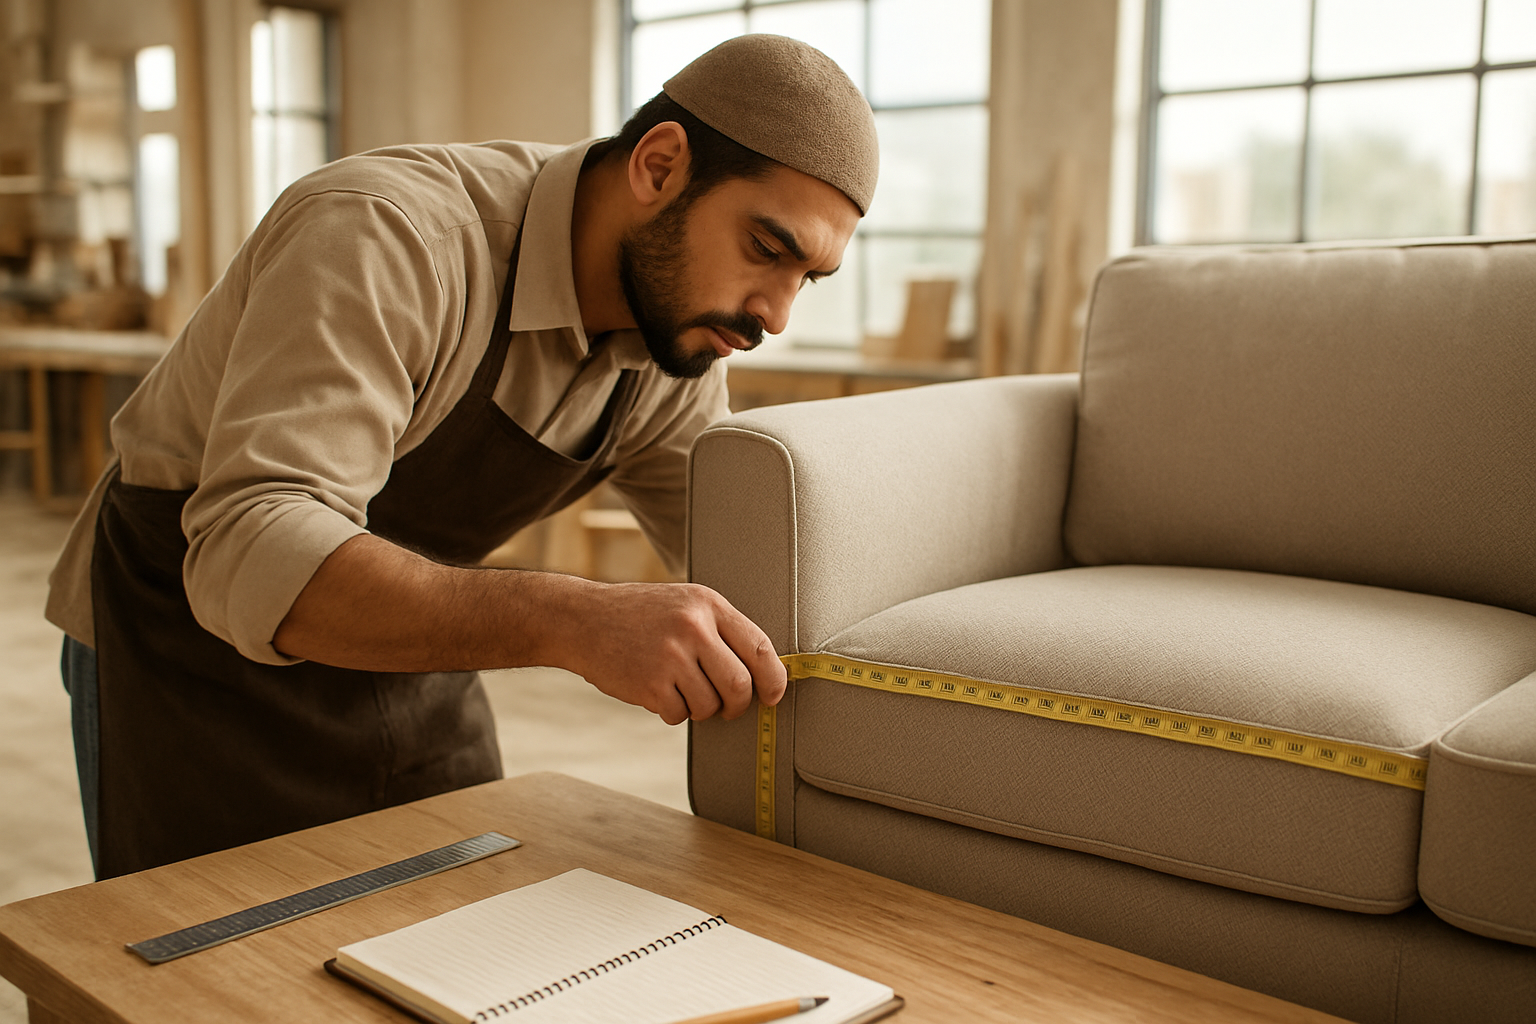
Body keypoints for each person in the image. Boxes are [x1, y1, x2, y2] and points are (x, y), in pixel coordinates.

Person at [44, 34, 879, 879]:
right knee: (205, 987)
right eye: (767, 250)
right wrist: (574, 620)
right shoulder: (390, 236)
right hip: (184, 655)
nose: (774, 316)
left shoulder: (674, 349)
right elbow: (251, 549)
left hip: (411, 655)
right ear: (660, 166)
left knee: (466, 936)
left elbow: (751, 593)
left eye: (808, 278)